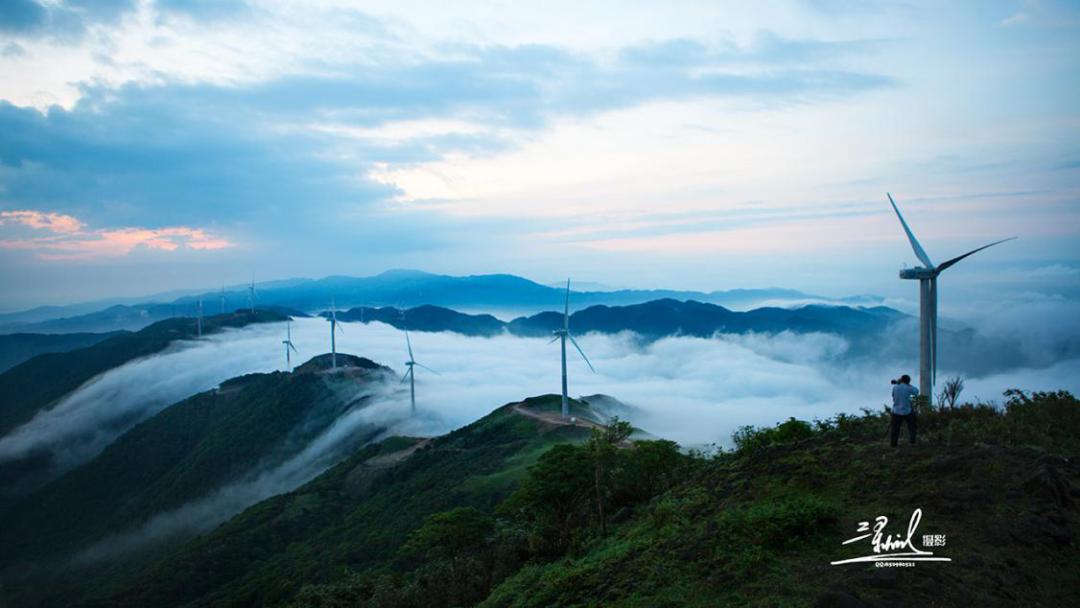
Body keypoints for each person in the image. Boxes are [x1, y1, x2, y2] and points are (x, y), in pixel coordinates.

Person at [890, 374, 919, 446]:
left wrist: (898, 383)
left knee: (895, 428)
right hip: (907, 411)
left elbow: (893, 396)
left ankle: (893, 443)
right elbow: (916, 392)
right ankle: (912, 442)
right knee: (912, 427)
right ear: (908, 381)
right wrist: (909, 385)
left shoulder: (895, 387)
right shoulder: (908, 387)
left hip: (896, 410)